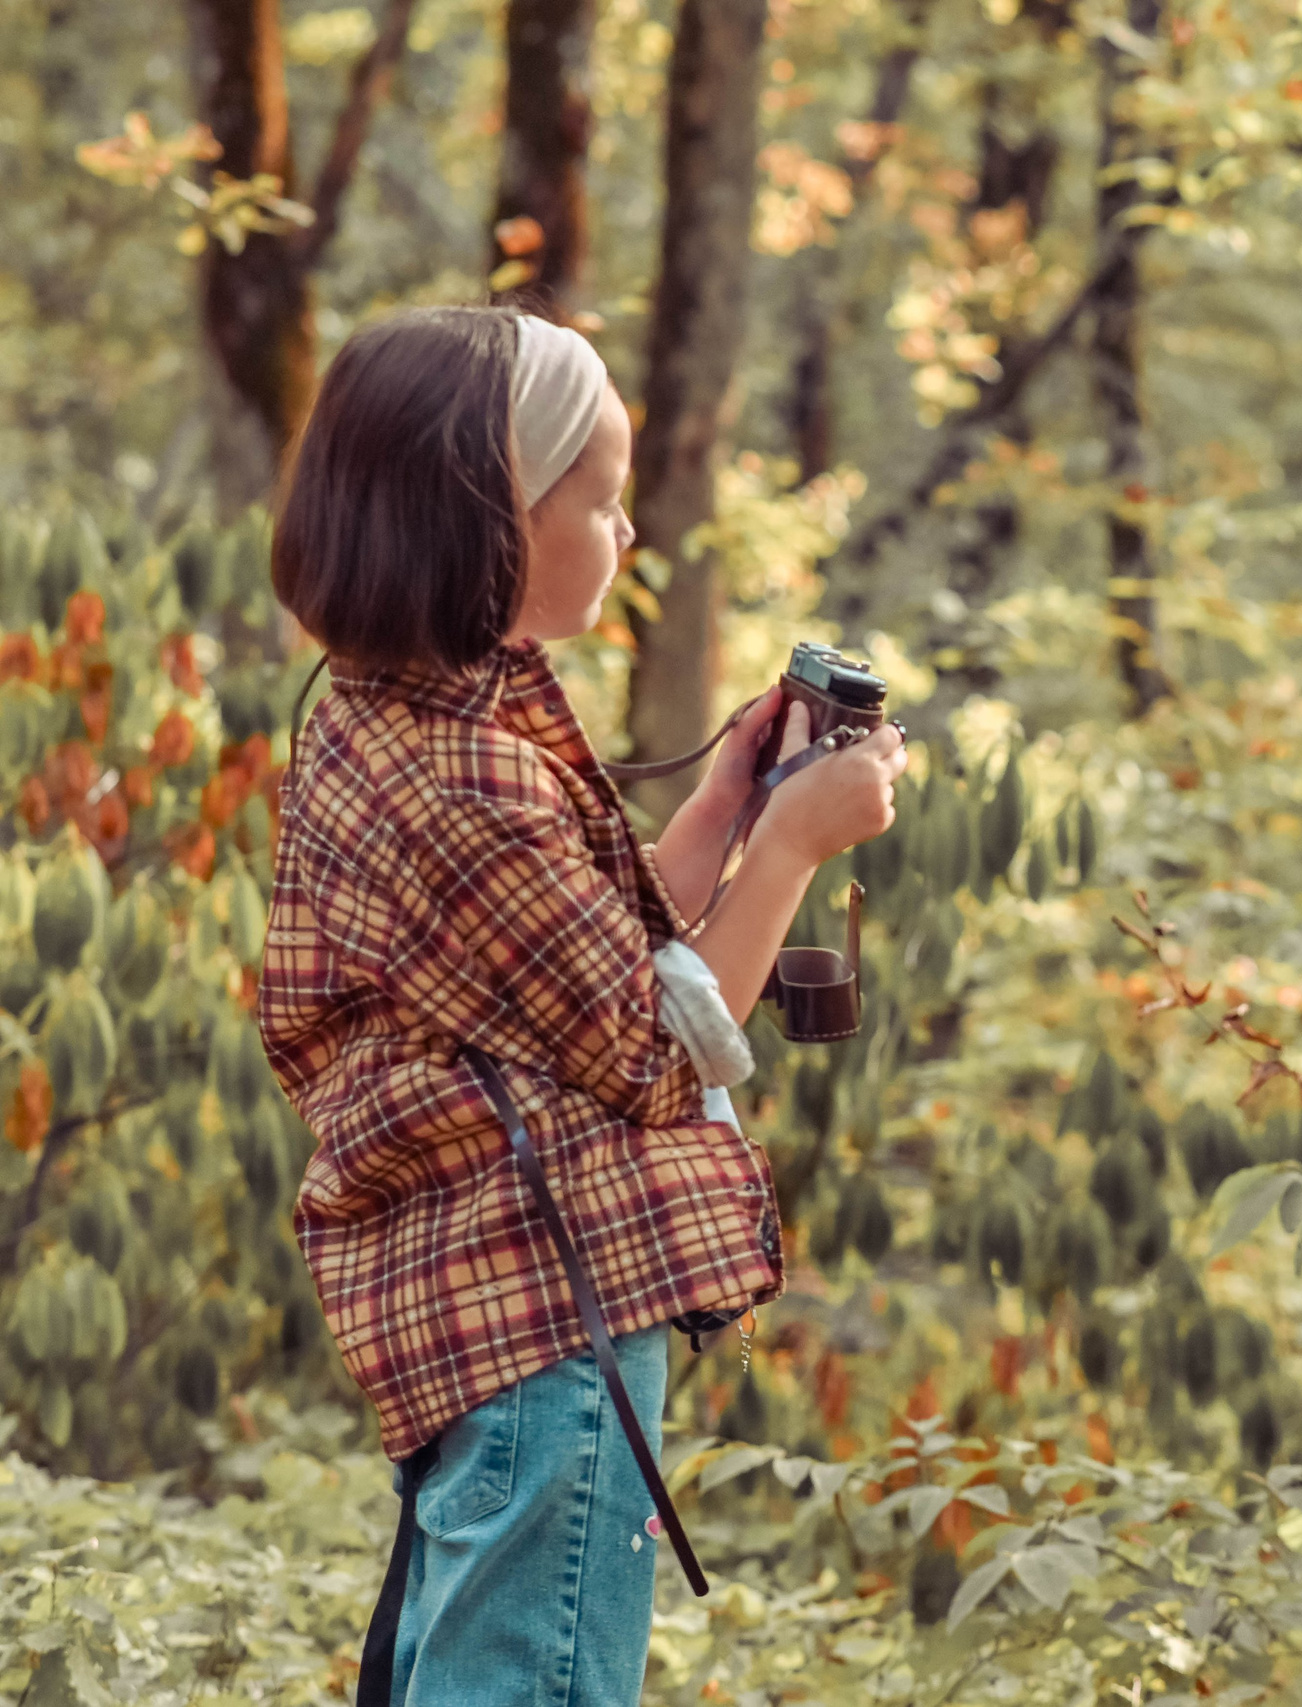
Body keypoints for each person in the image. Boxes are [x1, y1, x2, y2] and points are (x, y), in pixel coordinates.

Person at [256, 305, 907, 1706]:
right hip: (543, 1314)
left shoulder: (413, 711)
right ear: (483, 517)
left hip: (492, 1303)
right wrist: (795, 848)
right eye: (599, 503)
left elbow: (581, 972)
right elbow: (653, 1053)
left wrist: (729, 808)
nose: (624, 536)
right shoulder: (469, 777)